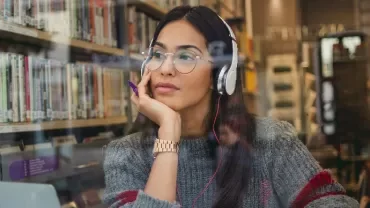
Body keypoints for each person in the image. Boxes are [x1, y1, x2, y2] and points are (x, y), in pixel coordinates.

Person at [103, 5, 359, 208]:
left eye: (185, 57)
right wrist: (168, 131)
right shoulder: (126, 155)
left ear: (220, 74)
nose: (165, 69)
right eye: (158, 55)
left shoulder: (271, 141)